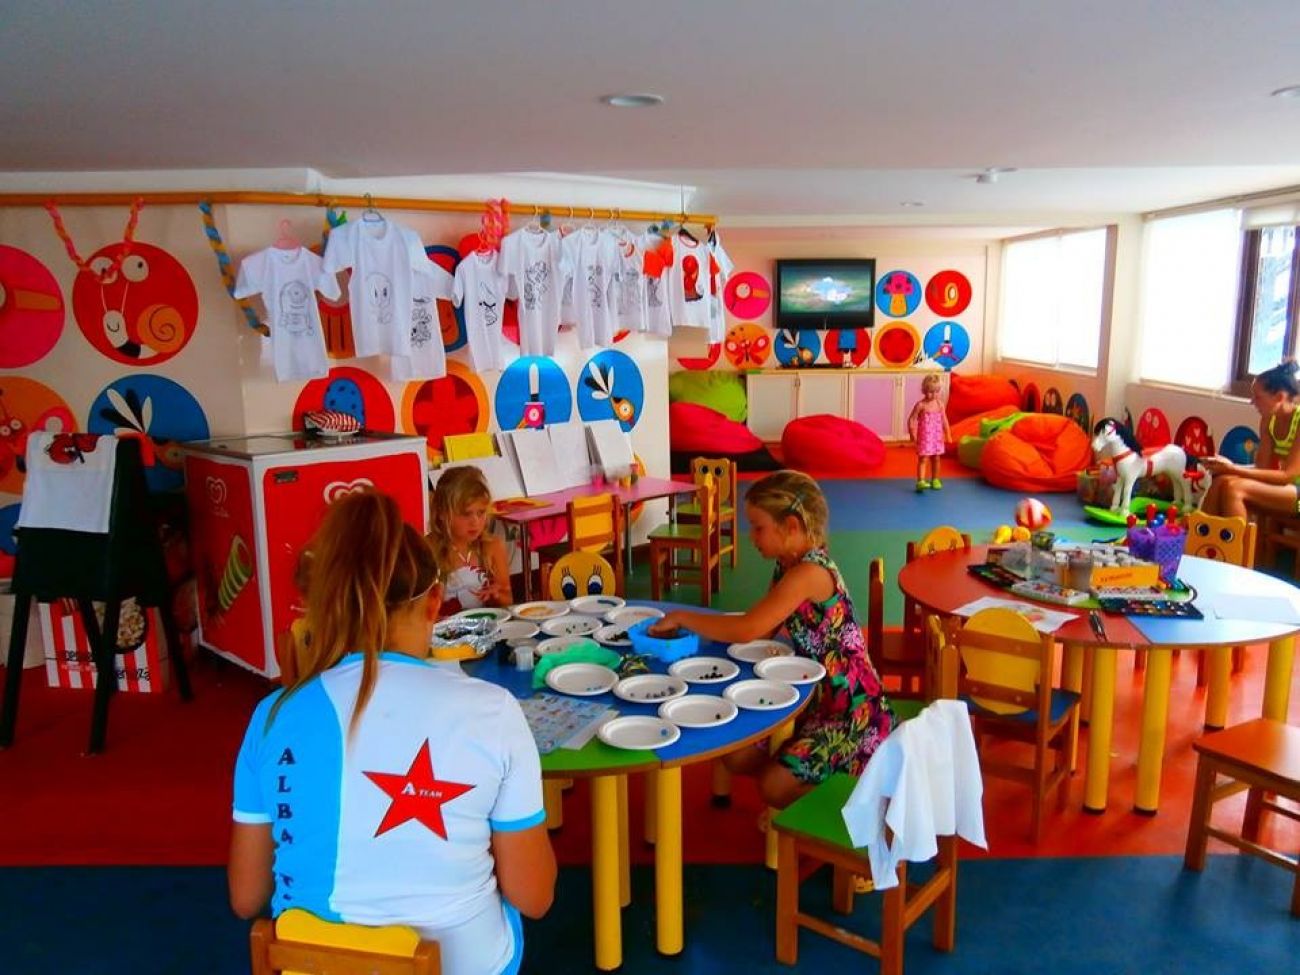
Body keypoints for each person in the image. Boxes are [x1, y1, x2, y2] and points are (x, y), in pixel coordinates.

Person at [228, 490, 555, 975]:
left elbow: (246, 896)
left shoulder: (272, 716)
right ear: (435, 603)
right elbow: (534, 896)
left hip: (310, 966)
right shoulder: (494, 710)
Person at [648, 470, 893, 810]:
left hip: (851, 712)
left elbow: (749, 629)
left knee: (773, 787)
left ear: (791, 526)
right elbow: (762, 629)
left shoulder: (809, 573)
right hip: (812, 697)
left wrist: (682, 617)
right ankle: (805, 779)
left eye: (758, 527)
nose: (751, 536)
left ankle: (863, 803)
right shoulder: (787, 564)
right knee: (736, 755)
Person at [1200, 360, 1300, 519]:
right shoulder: (1269, 420)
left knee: (1235, 489)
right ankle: (1201, 532)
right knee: (1220, 481)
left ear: (1279, 397)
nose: (1252, 401)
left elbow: (1288, 476)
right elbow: (1262, 467)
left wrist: (1233, 469)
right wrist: (1228, 467)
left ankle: (1237, 537)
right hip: (1288, 488)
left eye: (1258, 397)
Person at [428, 465, 512, 615]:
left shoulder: (493, 547)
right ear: (442, 513)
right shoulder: (428, 549)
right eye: (466, 514)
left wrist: (496, 595)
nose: (475, 522)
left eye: (481, 513)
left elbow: (508, 600)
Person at [907, 372, 951, 491]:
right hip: (925, 437)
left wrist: (948, 434)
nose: (933, 394)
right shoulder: (921, 405)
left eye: (936, 392)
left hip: (937, 436)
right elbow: (912, 419)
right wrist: (912, 433)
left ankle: (935, 479)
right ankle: (921, 481)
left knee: (936, 458)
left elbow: (944, 420)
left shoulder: (939, 404)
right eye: (930, 392)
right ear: (924, 391)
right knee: (923, 458)